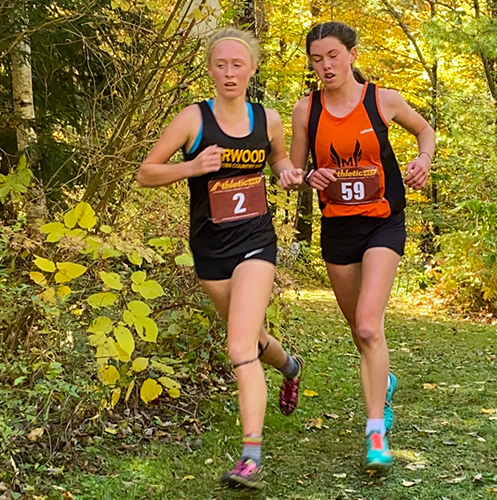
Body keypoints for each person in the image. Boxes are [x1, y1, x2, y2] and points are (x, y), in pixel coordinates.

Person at [137, 28, 305, 489]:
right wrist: (191, 167)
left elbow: (278, 159)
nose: (229, 73)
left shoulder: (267, 118)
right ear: (210, 69)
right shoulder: (193, 119)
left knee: (237, 348)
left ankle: (250, 456)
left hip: (256, 242)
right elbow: (145, 173)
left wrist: (286, 171)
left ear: (252, 68)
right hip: (209, 249)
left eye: (238, 64)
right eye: (221, 64)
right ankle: (289, 365)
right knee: (251, 339)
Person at [288, 21, 435, 471]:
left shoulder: (382, 100)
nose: (325, 66)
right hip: (338, 229)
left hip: (383, 223)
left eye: (332, 55)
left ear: (351, 54)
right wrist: (309, 177)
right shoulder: (305, 109)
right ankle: (383, 379)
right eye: (316, 59)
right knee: (359, 330)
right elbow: (294, 171)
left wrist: (423, 160)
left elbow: (424, 130)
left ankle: (376, 432)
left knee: (370, 326)